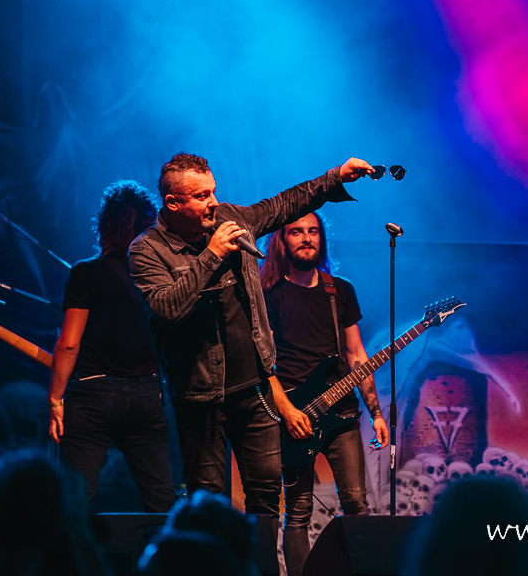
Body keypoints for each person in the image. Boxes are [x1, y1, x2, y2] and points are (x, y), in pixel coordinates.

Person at [128, 153, 373, 534]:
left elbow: (286, 203)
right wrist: (212, 255)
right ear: (173, 203)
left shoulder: (232, 218)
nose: (213, 202)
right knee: (206, 503)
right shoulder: (147, 250)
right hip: (200, 396)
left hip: (255, 391)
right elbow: (167, 308)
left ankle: (262, 563)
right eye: (201, 196)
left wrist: (335, 176)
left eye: (213, 191)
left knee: (265, 499)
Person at [259, 212, 389, 576]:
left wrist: (377, 414)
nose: (306, 238)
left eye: (313, 231)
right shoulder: (270, 294)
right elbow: (263, 364)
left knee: (356, 504)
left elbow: (357, 354)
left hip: (342, 414)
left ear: (322, 238)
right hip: (295, 415)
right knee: (297, 512)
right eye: (296, 232)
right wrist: (286, 411)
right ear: (281, 241)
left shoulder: (339, 290)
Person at [48, 180, 177, 513]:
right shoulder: (159, 277)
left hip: (93, 393)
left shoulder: (85, 273)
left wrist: (55, 399)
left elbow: (68, 344)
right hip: (148, 393)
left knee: (74, 502)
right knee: (162, 501)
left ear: (105, 225)